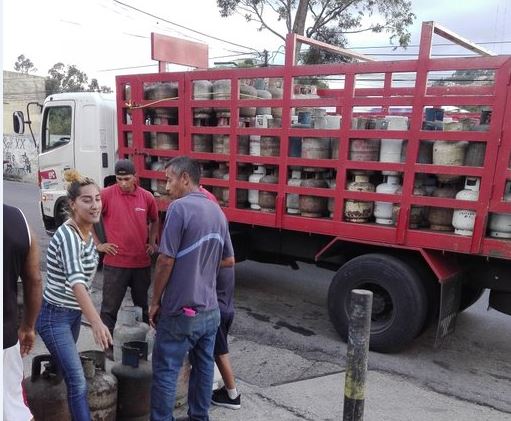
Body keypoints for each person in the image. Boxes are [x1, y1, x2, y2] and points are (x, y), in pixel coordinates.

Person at [149, 156, 235, 421]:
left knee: (165, 371)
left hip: (180, 311)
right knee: (203, 366)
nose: (167, 186)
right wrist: (201, 266)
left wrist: (155, 301)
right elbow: (229, 259)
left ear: (185, 178)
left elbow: (165, 259)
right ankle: (200, 417)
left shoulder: (179, 209)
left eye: (169, 179)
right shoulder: (217, 212)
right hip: (209, 311)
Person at [36, 170, 112, 420]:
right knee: (78, 381)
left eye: (97, 198)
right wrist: (97, 321)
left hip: (72, 315)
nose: (95, 205)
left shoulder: (87, 232)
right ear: (72, 204)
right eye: (86, 200)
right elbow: (77, 282)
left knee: (68, 372)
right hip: (54, 317)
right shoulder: (68, 235)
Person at [96, 159, 158, 344]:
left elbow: (155, 220)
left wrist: (152, 242)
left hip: (140, 263)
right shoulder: (105, 195)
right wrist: (98, 244)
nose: (122, 183)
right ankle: (107, 348)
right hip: (115, 264)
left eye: (127, 179)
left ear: (135, 177)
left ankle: (142, 346)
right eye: (119, 179)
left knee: (142, 308)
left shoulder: (146, 197)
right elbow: (88, 216)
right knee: (109, 309)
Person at [3, 204, 43, 421]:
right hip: (5, 339)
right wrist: (28, 326)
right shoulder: (18, 220)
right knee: (15, 409)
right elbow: (34, 279)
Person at [210, 266, 241, 409]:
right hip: (227, 309)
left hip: (218, 312)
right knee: (214, 351)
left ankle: (232, 396)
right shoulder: (227, 258)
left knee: (220, 354)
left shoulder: (213, 258)